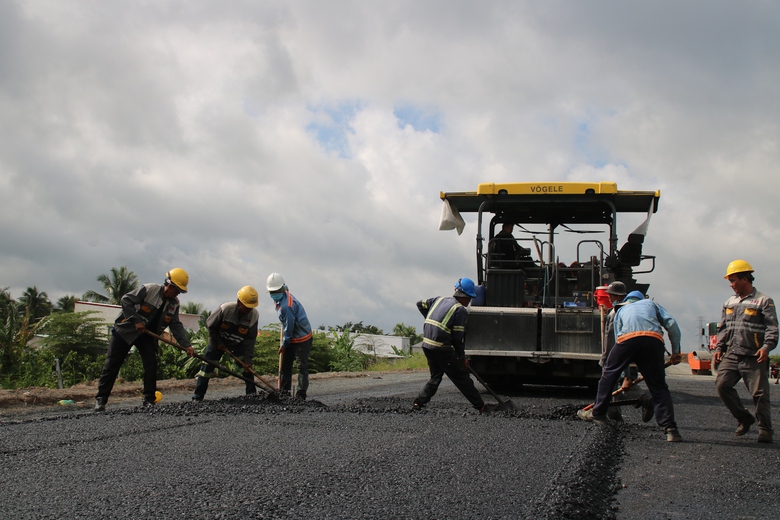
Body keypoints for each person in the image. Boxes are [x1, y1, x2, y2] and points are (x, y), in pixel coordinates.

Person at [578, 288, 683, 442]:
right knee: (658, 386)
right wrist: (676, 352)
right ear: (641, 299)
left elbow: (620, 341)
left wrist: (624, 376)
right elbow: (671, 324)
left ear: (626, 299)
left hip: (627, 340)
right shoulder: (651, 304)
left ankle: (598, 413)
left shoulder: (620, 309)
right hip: (653, 340)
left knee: (608, 375)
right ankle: (671, 429)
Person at [95, 268, 194, 411]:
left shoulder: (174, 304)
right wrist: (136, 320)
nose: (178, 293)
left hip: (147, 336)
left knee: (151, 365)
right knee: (112, 365)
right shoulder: (149, 290)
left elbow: (176, 325)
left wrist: (186, 345)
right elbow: (126, 300)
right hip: (125, 331)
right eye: (177, 290)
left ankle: (149, 399)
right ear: (170, 285)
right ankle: (101, 399)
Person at [714, 260, 778, 444]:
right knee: (722, 385)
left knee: (760, 394)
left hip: (753, 356)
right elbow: (724, 329)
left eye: (733, 280)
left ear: (745, 279)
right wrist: (719, 348)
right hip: (732, 354)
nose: (731, 285)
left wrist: (766, 348)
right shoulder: (729, 302)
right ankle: (744, 418)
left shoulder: (763, 301)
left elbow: (772, 328)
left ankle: (765, 430)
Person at [412, 278, 486, 412]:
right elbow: (458, 338)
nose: (469, 302)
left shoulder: (438, 300)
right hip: (440, 347)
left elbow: (419, 304)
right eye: (469, 298)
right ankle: (481, 406)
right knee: (461, 377)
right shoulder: (460, 310)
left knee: (435, 377)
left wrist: (429, 318)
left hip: (427, 344)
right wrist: (462, 358)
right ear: (464, 296)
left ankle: (418, 402)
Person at [192, 286, 260, 401]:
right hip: (216, 342)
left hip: (237, 344)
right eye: (247, 307)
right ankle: (197, 398)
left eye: (251, 307)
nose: (249, 310)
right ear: (239, 302)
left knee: (247, 370)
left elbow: (250, 340)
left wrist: (248, 360)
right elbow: (211, 326)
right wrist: (218, 342)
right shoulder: (225, 309)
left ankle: (251, 396)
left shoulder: (254, 316)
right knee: (206, 370)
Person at [600, 281, 654, 423]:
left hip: (617, 353)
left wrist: (606, 358)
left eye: (612, 295)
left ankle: (614, 415)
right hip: (629, 351)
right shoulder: (626, 309)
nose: (609, 298)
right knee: (621, 381)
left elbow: (611, 337)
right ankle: (616, 415)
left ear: (620, 296)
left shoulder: (617, 311)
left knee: (612, 382)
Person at [266, 273, 312, 399]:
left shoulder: (287, 306)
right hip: (291, 335)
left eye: (275, 291)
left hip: (302, 338)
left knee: (301, 366)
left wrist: (284, 345)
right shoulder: (280, 298)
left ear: (281, 289)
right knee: (285, 365)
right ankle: (284, 393)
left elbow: (289, 328)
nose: (273, 294)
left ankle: (300, 395)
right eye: (271, 291)